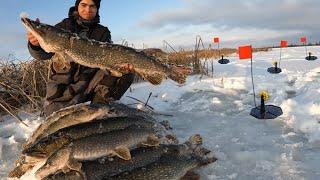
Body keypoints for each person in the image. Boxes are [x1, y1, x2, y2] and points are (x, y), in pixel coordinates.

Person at [27, 0, 134, 116]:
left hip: (90, 83)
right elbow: (43, 54)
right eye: (84, 5)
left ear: (97, 9)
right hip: (63, 88)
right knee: (57, 118)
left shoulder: (103, 32)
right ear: (77, 6)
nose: (88, 9)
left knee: (125, 72)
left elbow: (110, 58)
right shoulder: (64, 26)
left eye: (92, 6)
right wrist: (35, 44)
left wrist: (122, 65)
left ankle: (100, 105)